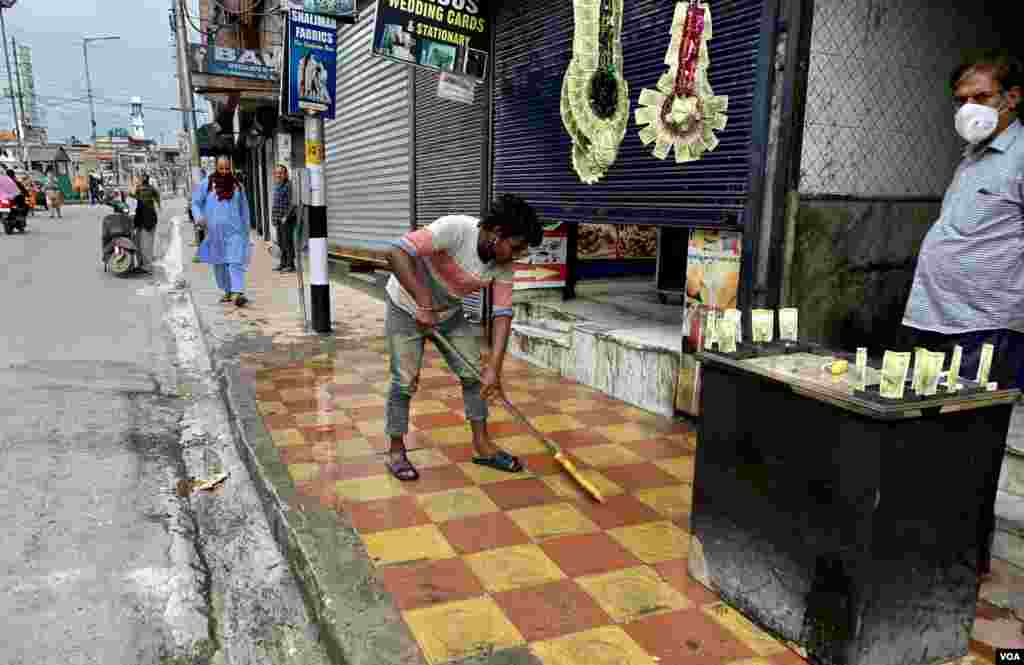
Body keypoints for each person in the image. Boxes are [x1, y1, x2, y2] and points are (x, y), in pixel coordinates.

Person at [383, 194, 543, 481]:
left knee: (476, 376)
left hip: (449, 313)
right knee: (404, 380)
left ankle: (482, 446)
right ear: (497, 234)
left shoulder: (503, 265)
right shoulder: (455, 229)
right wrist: (422, 301)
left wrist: (494, 368)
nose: (517, 255)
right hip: (406, 307)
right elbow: (395, 252)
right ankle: (396, 450)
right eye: (516, 247)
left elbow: (502, 314)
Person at [903, 49, 1024, 392]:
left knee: (970, 419)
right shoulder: (973, 156)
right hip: (937, 314)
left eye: (981, 97)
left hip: (986, 324)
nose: (969, 107)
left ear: (1011, 98)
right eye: (962, 100)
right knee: (932, 410)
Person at [192, 157, 252, 306]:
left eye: (227, 168)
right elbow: (195, 203)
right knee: (219, 264)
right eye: (221, 168)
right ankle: (227, 290)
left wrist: (246, 230)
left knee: (235, 261)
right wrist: (199, 217)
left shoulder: (238, 186)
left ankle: (237, 292)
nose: (225, 172)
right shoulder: (206, 184)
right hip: (215, 232)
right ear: (216, 168)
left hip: (235, 231)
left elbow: (244, 210)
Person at [130, 174, 162, 274]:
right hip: (144, 220)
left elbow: (136, 197)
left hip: (147, 221)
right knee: (139, 243)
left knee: (145, 244)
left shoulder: (143, 190)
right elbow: (157, 199)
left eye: (139, 179)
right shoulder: (148, 189)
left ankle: (147, 267)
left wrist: (134, 188)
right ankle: (143, 265)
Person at [271, 164, 296, 272]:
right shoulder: (277, 186)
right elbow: (275, 204)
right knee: (281, 242)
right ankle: (283, 263)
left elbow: (293, 203)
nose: (278, 175)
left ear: (285, 174)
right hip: (278, 219)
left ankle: (290, 265)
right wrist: (273, 218)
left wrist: (286, 216)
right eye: (276, 173)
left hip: (287, 219)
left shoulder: (289, 186)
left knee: (287, 242)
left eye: (281, 173)